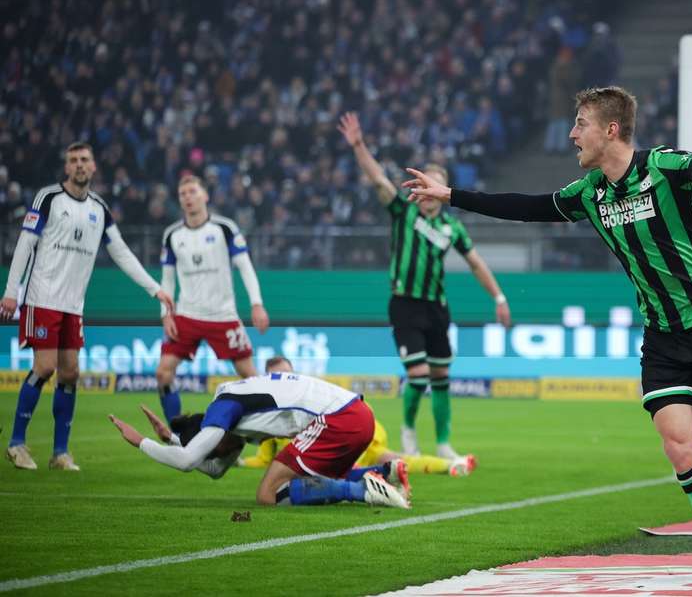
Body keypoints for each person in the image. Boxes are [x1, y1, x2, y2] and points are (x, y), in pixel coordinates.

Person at [403, 87, 692, 590]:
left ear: (610, 130)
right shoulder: (589, 194)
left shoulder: (665, 168)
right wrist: (454, 196)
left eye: (581, 123)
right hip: (662, 338)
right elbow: (527, 206)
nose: (572, 133)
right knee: (679, 446)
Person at [338, 111, 511, 460]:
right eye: (424, 183)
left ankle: (444, 443)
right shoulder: (404, 212)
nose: (428, 190)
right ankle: (409, 435)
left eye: (435, 185)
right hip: (405, 304)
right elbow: (377, 180)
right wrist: (358, 146)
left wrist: (499, 296)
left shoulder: (452, 228)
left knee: (442, 375)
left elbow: (476, 263)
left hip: (436, 307)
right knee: (418, 375)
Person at [2, 142, 175, 471]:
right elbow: (25, 243)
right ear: (66, 167)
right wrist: (12, 291)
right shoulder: (49, 198)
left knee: (71, 372)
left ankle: (59, 453)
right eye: (73, 160)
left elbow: (121, 252)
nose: (80, 165)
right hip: (42, 298)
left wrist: (155, 289)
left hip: (73, 305)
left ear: (94, 167)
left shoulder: (99, 208)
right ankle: (16, 443)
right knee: (46, 366)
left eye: (85, 160)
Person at [109, 372, 410, 509]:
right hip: (358, 414)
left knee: (268, 493)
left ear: (212, 433)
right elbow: (215, 470)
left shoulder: (222, 409)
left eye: (212, 448)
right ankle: (386, 473)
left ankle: (362, 490)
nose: (221, 455)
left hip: (338, 419)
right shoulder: (233, 408)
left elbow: (190, 462)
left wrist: (141, 442)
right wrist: (174, 440)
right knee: (313, 478)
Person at [242, 356, 477, 477]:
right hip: (345, 443)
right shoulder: (273, 418)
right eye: (277, 376)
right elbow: (263, 459)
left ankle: (448, 466)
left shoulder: (306, 397)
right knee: (396, 460)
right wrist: (240, 462)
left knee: (370, 465)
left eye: (287, 373)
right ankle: (448, 466)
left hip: (349, 437)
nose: (284, 379)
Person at [156, 175, 270, 422]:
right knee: (163, 374)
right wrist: (166, 315)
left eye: (193, 192)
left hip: (223, 316)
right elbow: (167, 281)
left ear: (205, 196)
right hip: (187, 315)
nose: (188, 197)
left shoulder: (224, 228)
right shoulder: (172, 235)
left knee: (252, 379)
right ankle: (177, 435)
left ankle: (268, 433)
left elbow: (245, 266)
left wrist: (256, 304)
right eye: (183, 194)